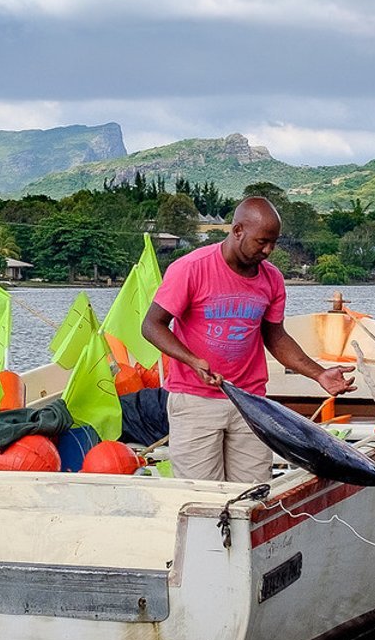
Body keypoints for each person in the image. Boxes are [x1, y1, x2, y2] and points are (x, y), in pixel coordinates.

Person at [141, 196, 354, 481]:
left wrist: (319, 374)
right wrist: (192, 361)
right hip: (195, 400)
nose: (268, 250)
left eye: (273, 243)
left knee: (252, 494)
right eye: (261, 242)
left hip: (252, 402)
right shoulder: (191, 268)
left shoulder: (272, 279)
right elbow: (152, 325)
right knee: (203, 495)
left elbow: (276, 336)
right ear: (238, 230)